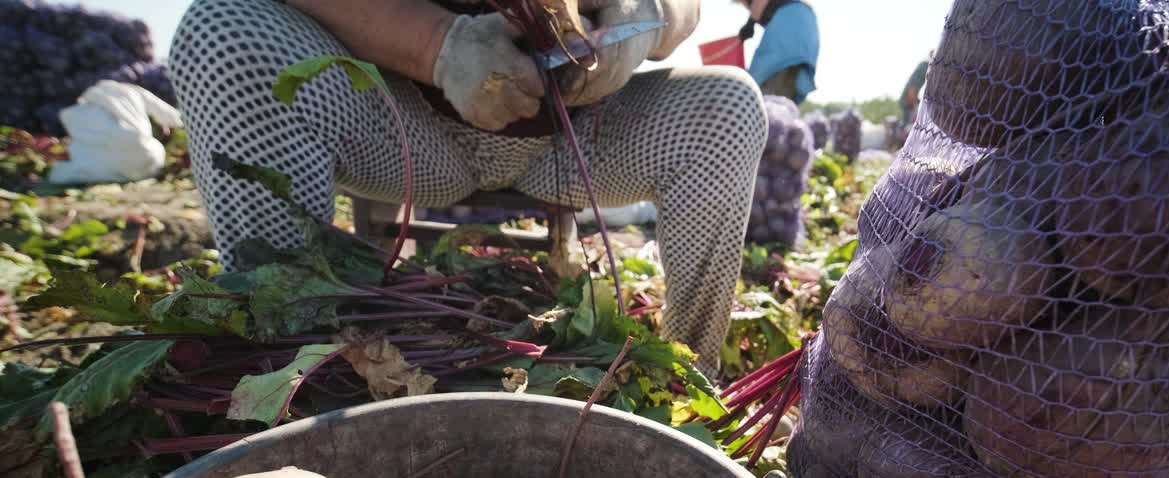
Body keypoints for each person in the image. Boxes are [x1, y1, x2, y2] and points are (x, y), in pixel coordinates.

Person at [167, 0, 769, 379]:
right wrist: (438, 45)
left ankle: (690, 374)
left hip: (571, 134)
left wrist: (649, 16)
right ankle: (287, 369)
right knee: (225, 33)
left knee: (728, 106)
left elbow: (696, 8)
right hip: (405, 122)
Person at [734, 0, 820, 104]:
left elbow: (758, 6)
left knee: (758, 94)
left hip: (786, 34)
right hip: (806, 39)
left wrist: (750, 22)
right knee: (783, 100)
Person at [899, 53, 931, 128]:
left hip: (907, 101)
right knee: (908, 125)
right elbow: (912, 91)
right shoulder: (924, 67)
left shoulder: (923, 67)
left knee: (907, 123)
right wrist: (916, 106)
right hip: (907, 102)